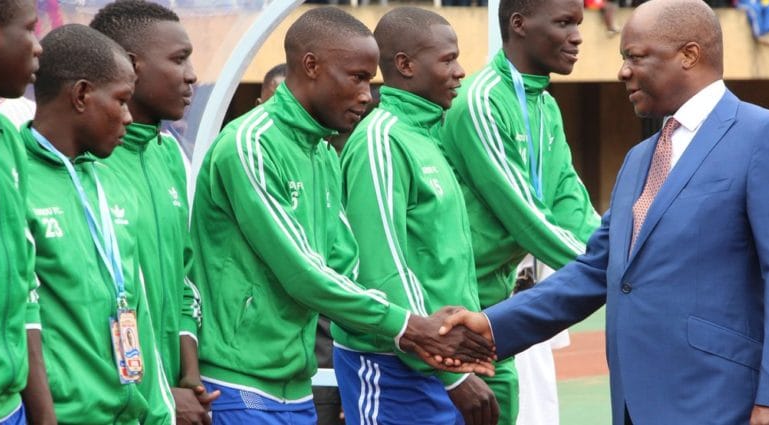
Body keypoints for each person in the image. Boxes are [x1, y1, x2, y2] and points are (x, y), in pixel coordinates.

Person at [439, 0, 769, 424]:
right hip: (634, 404)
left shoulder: (765, 135)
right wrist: (492, 326)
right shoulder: (640, 159)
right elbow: (596, 269)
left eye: (635, 57)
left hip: (721, 400)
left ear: (689, 55)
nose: (622, 71)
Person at [188, 7, 493, 424]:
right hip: (240, 387)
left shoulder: (322, 153)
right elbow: (303, 274)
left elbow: (346, 265)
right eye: (357, 77)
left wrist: (429, 333)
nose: (367, 94)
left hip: (296, 385)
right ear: (311, 66)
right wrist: (408, 326)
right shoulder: (249, 145)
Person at [332, 7, 498, 425]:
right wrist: (449, 370)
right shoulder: (381, 140)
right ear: (405, 65)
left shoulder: (426, 137)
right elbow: (383, 267)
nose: (460, 71)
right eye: (448, 59)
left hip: (442, 364)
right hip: (394, 367)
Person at [439, 0, 601, 422]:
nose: (578, 36)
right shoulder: (481, 101)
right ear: (520, 24)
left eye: (579, 23)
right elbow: (524, 215)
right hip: (451, 317)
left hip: (500, 313)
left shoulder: (545, 106)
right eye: (565, 23)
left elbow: (570, 202)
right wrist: (616, 274)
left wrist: (616, 256)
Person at [21, 23, 175, 423]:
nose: (128, 117)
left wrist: (160, 415)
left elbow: (138, 311)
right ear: (82, 95)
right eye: (122, 101)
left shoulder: (112, 181)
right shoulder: (13, 177)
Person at [89, 2, 214, 423]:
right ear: (131, 65)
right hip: (117, 405)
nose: (193, 74)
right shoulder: (87, 163)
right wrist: (160, 392)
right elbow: (95, 308)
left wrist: (188, 377)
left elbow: (184, 278)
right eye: (179, 59)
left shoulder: (171, 156)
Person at [0, 1, 49, 424]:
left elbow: (24, 291)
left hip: (10, 410)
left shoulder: (7, 139)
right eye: (31, 30)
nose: (40, 47)